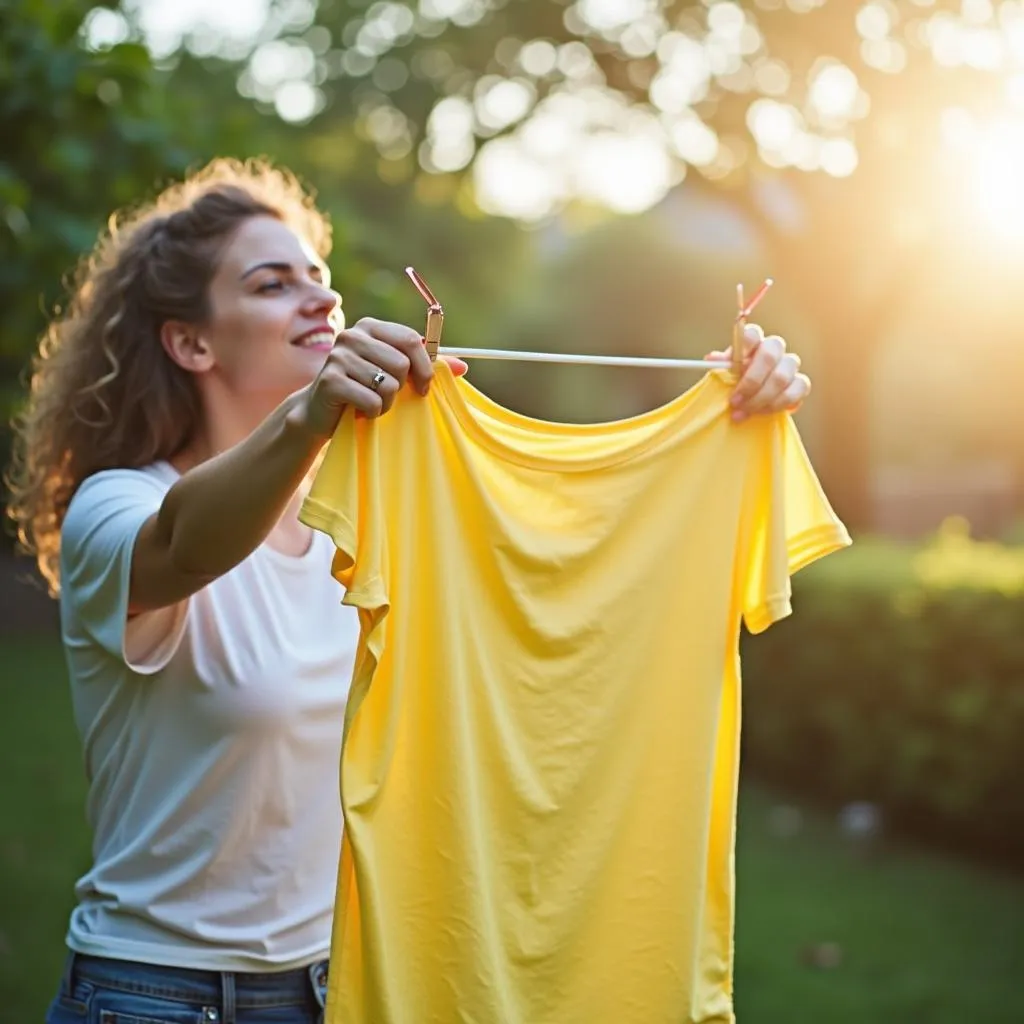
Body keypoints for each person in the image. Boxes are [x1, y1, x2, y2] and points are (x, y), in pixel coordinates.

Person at [5, 157, 812, 1024]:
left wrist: (723, 420)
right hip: (154, 995)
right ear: (191, 342)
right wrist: (312, 415)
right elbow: (183, 544)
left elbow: (541, 593)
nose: (319, 298)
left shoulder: (374, 516)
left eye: (319, 275)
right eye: (273, 285)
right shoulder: (116, 507)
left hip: (349, 987)